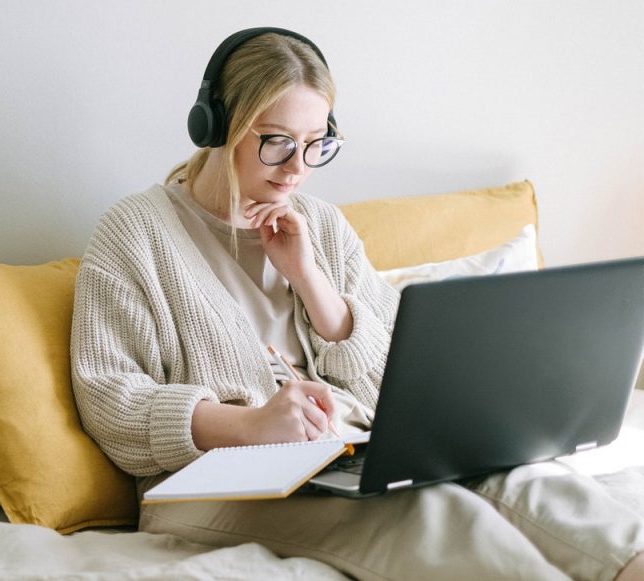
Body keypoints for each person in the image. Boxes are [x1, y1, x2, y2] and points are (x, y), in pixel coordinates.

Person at [70, 27, 644, 580]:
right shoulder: (134, 233)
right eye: (276, 142)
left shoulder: (319, 224)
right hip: (210, 483)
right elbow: (112, 403)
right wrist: (250, 425)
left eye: (316, 144)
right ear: (217, 126)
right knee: (438, 519)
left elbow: (397, 377)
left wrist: (311, 279)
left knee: (533, 483)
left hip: (351, 454)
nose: (298, 168)